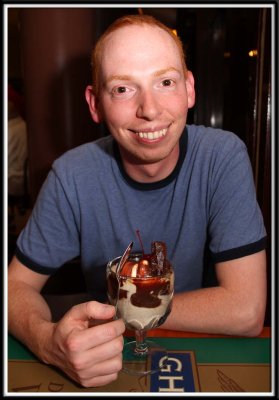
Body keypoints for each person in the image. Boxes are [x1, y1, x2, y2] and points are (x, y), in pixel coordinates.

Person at [8, 14, 267, 388]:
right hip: (106, 360)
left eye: (165, 82)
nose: (149, 109)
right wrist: (48, 343)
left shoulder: (222, 157)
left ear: (189, 89)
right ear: (95, 104)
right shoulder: (72, 175)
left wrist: (123, 309)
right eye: (123, 89)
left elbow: (246, 311)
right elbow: (14, 287)